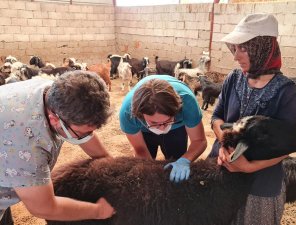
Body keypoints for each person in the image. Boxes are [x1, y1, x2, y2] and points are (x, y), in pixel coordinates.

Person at [209, 13, 296, 225]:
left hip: (260, 182)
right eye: (236, 48)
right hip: (221, 169)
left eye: (244, 48)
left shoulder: (288, 93)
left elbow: (286, 146)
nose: (236, 56)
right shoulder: (233, 79)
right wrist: (226, 143)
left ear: (263, 47)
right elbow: (216, 116)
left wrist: (248, 167)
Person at [0, 71, 116, 224]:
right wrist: (99, 211)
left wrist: (112, 166)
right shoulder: (27, 145)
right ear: (54, 119)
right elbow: (43, 208)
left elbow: (84, 134)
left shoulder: (55, 90)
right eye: (81, 133)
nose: (87, 137)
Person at [119, 75, 207, 183]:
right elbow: (140, 149)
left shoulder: (187, 101)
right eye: (154, 122)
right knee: (145, 164)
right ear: (139, 115)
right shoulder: (128, 112)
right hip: (145, 130)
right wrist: (152, 173)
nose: (162, 128)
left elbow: (199, 141)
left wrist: (185, 160)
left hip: (177, 127)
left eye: (167, 120)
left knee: (176, 158)